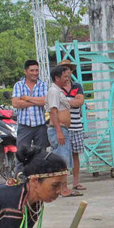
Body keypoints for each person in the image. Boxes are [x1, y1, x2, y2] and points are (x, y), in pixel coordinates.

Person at [12, 59, 49, 172]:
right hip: (24, 126)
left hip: (40, 126)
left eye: (37, 70)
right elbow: (15, 103)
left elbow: (45, 101)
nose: (35, 73)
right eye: (32, 70)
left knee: (41, 154)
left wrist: (27, 98)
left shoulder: (43, 85)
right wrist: (36, 101)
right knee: (21, 154)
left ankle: (39, 177)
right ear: (25, 71)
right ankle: (20, 178)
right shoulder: (19, 85)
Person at [46, 65, 75, 197]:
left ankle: (63, 188)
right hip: (58, 130)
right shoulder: (54, 91)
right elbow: (53, 111)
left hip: (62, 129)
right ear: (57, 78)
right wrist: (59, 132)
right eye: (64, 76)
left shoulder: (59, 91)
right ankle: (62, 189)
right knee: (61, 161)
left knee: (64, 160)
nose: (67, 78)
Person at [60, 65, 87, 192]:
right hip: (62, 126)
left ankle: (76, 182)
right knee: (62, 156)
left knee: (76, 154)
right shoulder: (56, 87)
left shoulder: (77, 86)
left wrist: (64, 101)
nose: (67, 73)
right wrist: (72, 101)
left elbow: (80, 102)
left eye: (69, 70)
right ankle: (62, 184)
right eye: (64, 71)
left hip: (76, 125)